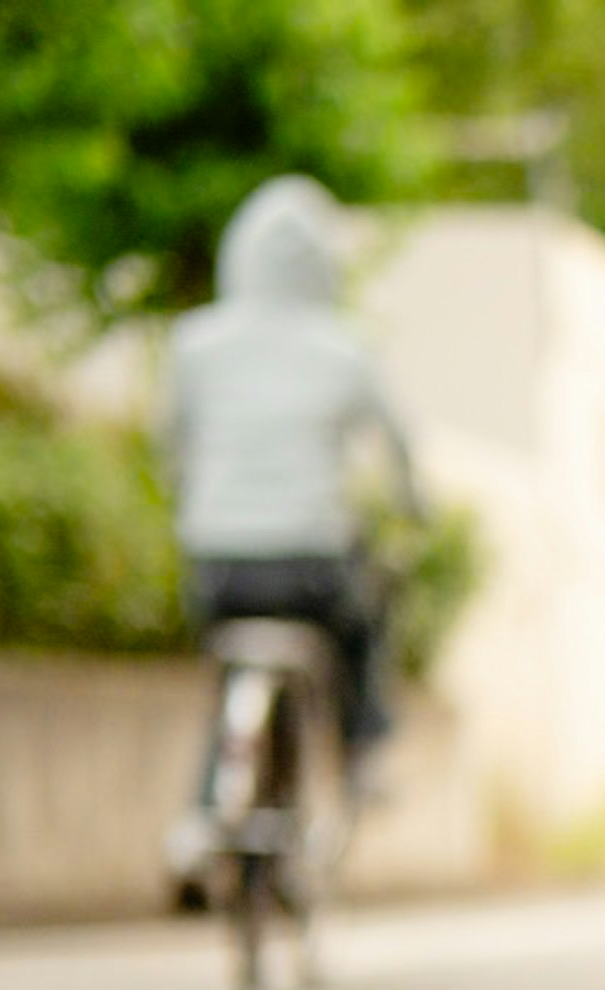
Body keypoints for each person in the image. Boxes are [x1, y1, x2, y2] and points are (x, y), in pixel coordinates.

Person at [157, 175, 420, 824]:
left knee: (227, 679)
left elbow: (168, 442)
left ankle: (207, 813)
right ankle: (364, 750)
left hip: (217, 563)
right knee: (363, 618)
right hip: (313, 566)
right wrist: (414, 507)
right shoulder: (346, 348)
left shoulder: (194, 343)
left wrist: (190, 500)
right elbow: (400, 444)